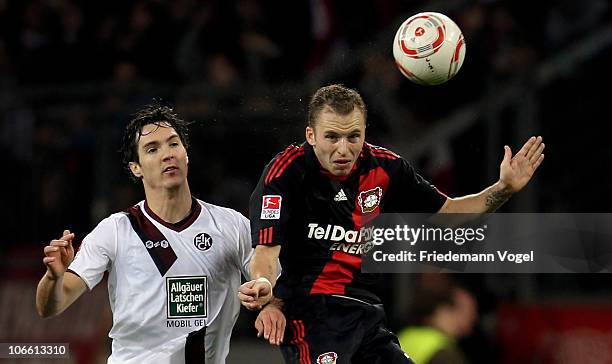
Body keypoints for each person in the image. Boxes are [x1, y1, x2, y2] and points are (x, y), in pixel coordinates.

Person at [238, 84, 544, 363]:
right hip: (312, 314)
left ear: (364, 133)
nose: (343, 149)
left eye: (353, 136)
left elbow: (448, 214)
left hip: (367, 315)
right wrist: (264, 285)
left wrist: (503, 190)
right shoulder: (285, 174)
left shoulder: (387, 168)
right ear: (311, 135)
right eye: (332, 137)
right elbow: (266, 251)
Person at [36, 103, 268, 364]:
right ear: (136, 168)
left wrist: (266, 291)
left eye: (173, 144)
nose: (167, 155)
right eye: (152, 149)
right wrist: (53, 279)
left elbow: (270, 277)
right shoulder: (114, 231)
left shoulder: (231, 225)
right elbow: (51, 306)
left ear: (186, 153)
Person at [398, 276, 478, 364]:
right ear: (441, 310)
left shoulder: (405, 335)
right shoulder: (442, 350)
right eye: (464, 311)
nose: (471, 318)